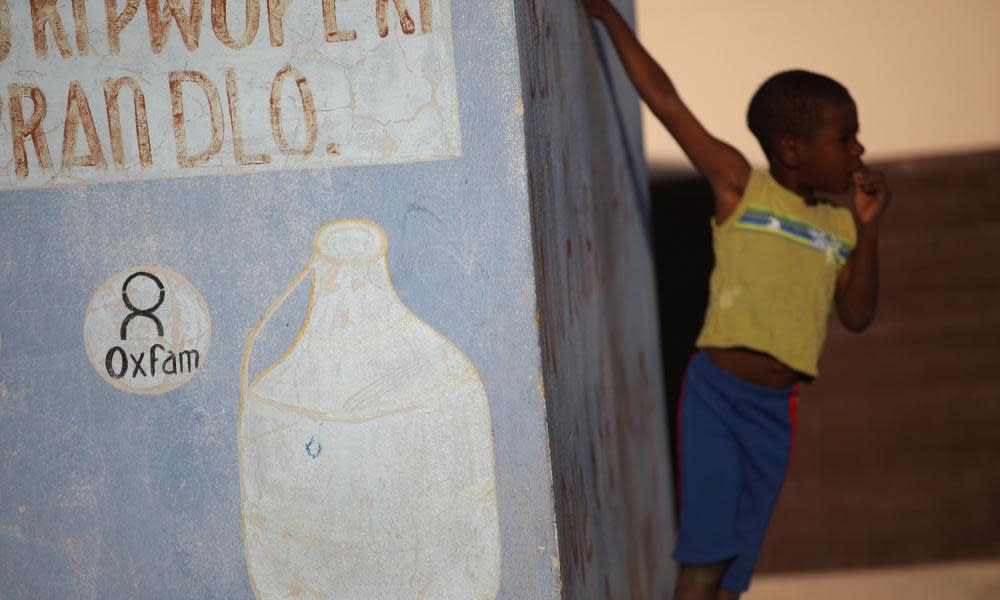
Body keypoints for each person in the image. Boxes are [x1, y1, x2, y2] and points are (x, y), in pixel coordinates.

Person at [580, 2, 891, 599]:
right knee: (702, 562)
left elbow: (857, 315)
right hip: (718, 402)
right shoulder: (740, 186)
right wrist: (608, 18)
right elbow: (666, 100)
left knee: (733, 579)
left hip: (776, 415)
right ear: (794, 149)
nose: (858, 150)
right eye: (845, 137)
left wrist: (870, 230)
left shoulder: (842, 225)